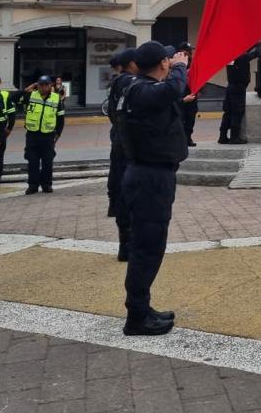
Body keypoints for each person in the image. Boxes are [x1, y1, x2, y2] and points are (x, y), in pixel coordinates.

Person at [118, 40, 188, 336]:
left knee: (146, 246)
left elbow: (167, 96)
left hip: (146, 174)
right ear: (162, 63)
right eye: (168, 61)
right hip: (150, 178)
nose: (171, 64)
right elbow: (171, 89)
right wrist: (181, 66)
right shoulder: (141, 89)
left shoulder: (136, 89)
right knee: (148, 248)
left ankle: (142, 307)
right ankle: (136, 316)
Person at [106, 49, 138, 260]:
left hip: (119, 142)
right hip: (128, 147)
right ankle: (129, 245)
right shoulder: (131, 83)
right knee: (131, 195)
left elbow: (111, 113)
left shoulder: (118, 84)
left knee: (121, 192)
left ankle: (125, 245)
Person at [19, 75, 66, 194]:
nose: (43, 87)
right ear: (37, 85)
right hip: (32, 135)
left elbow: (60, 118)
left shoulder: (56, 99)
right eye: (41, 84)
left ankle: (46, 185)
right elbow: (15, 99)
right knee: (32, 161)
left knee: (47, 161)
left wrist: (58, 134)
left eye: (46, 84)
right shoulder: (31, 95)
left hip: (48, 135)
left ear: (51, 86)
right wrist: (27, 89)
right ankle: (33, 185)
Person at [219, 46, 260, 144]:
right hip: (238, 88)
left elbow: (247, 52)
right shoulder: (242, 57)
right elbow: (256, 53)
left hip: (231, 87)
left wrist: (251, 45)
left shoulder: (230, 56)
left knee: (228, 112)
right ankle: (234, 137)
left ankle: (222, 136)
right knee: (237, 112)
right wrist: (259, 44)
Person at [177, 42, 198, 146]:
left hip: (192, 93)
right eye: (186, 51)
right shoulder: (177, 64)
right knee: (181, 118)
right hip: (181, 94)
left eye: (190, 52)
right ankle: (181, 139)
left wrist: (199, 90)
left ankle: (188, 138)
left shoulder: (193, 63)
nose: (189, 54)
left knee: (191, 118)